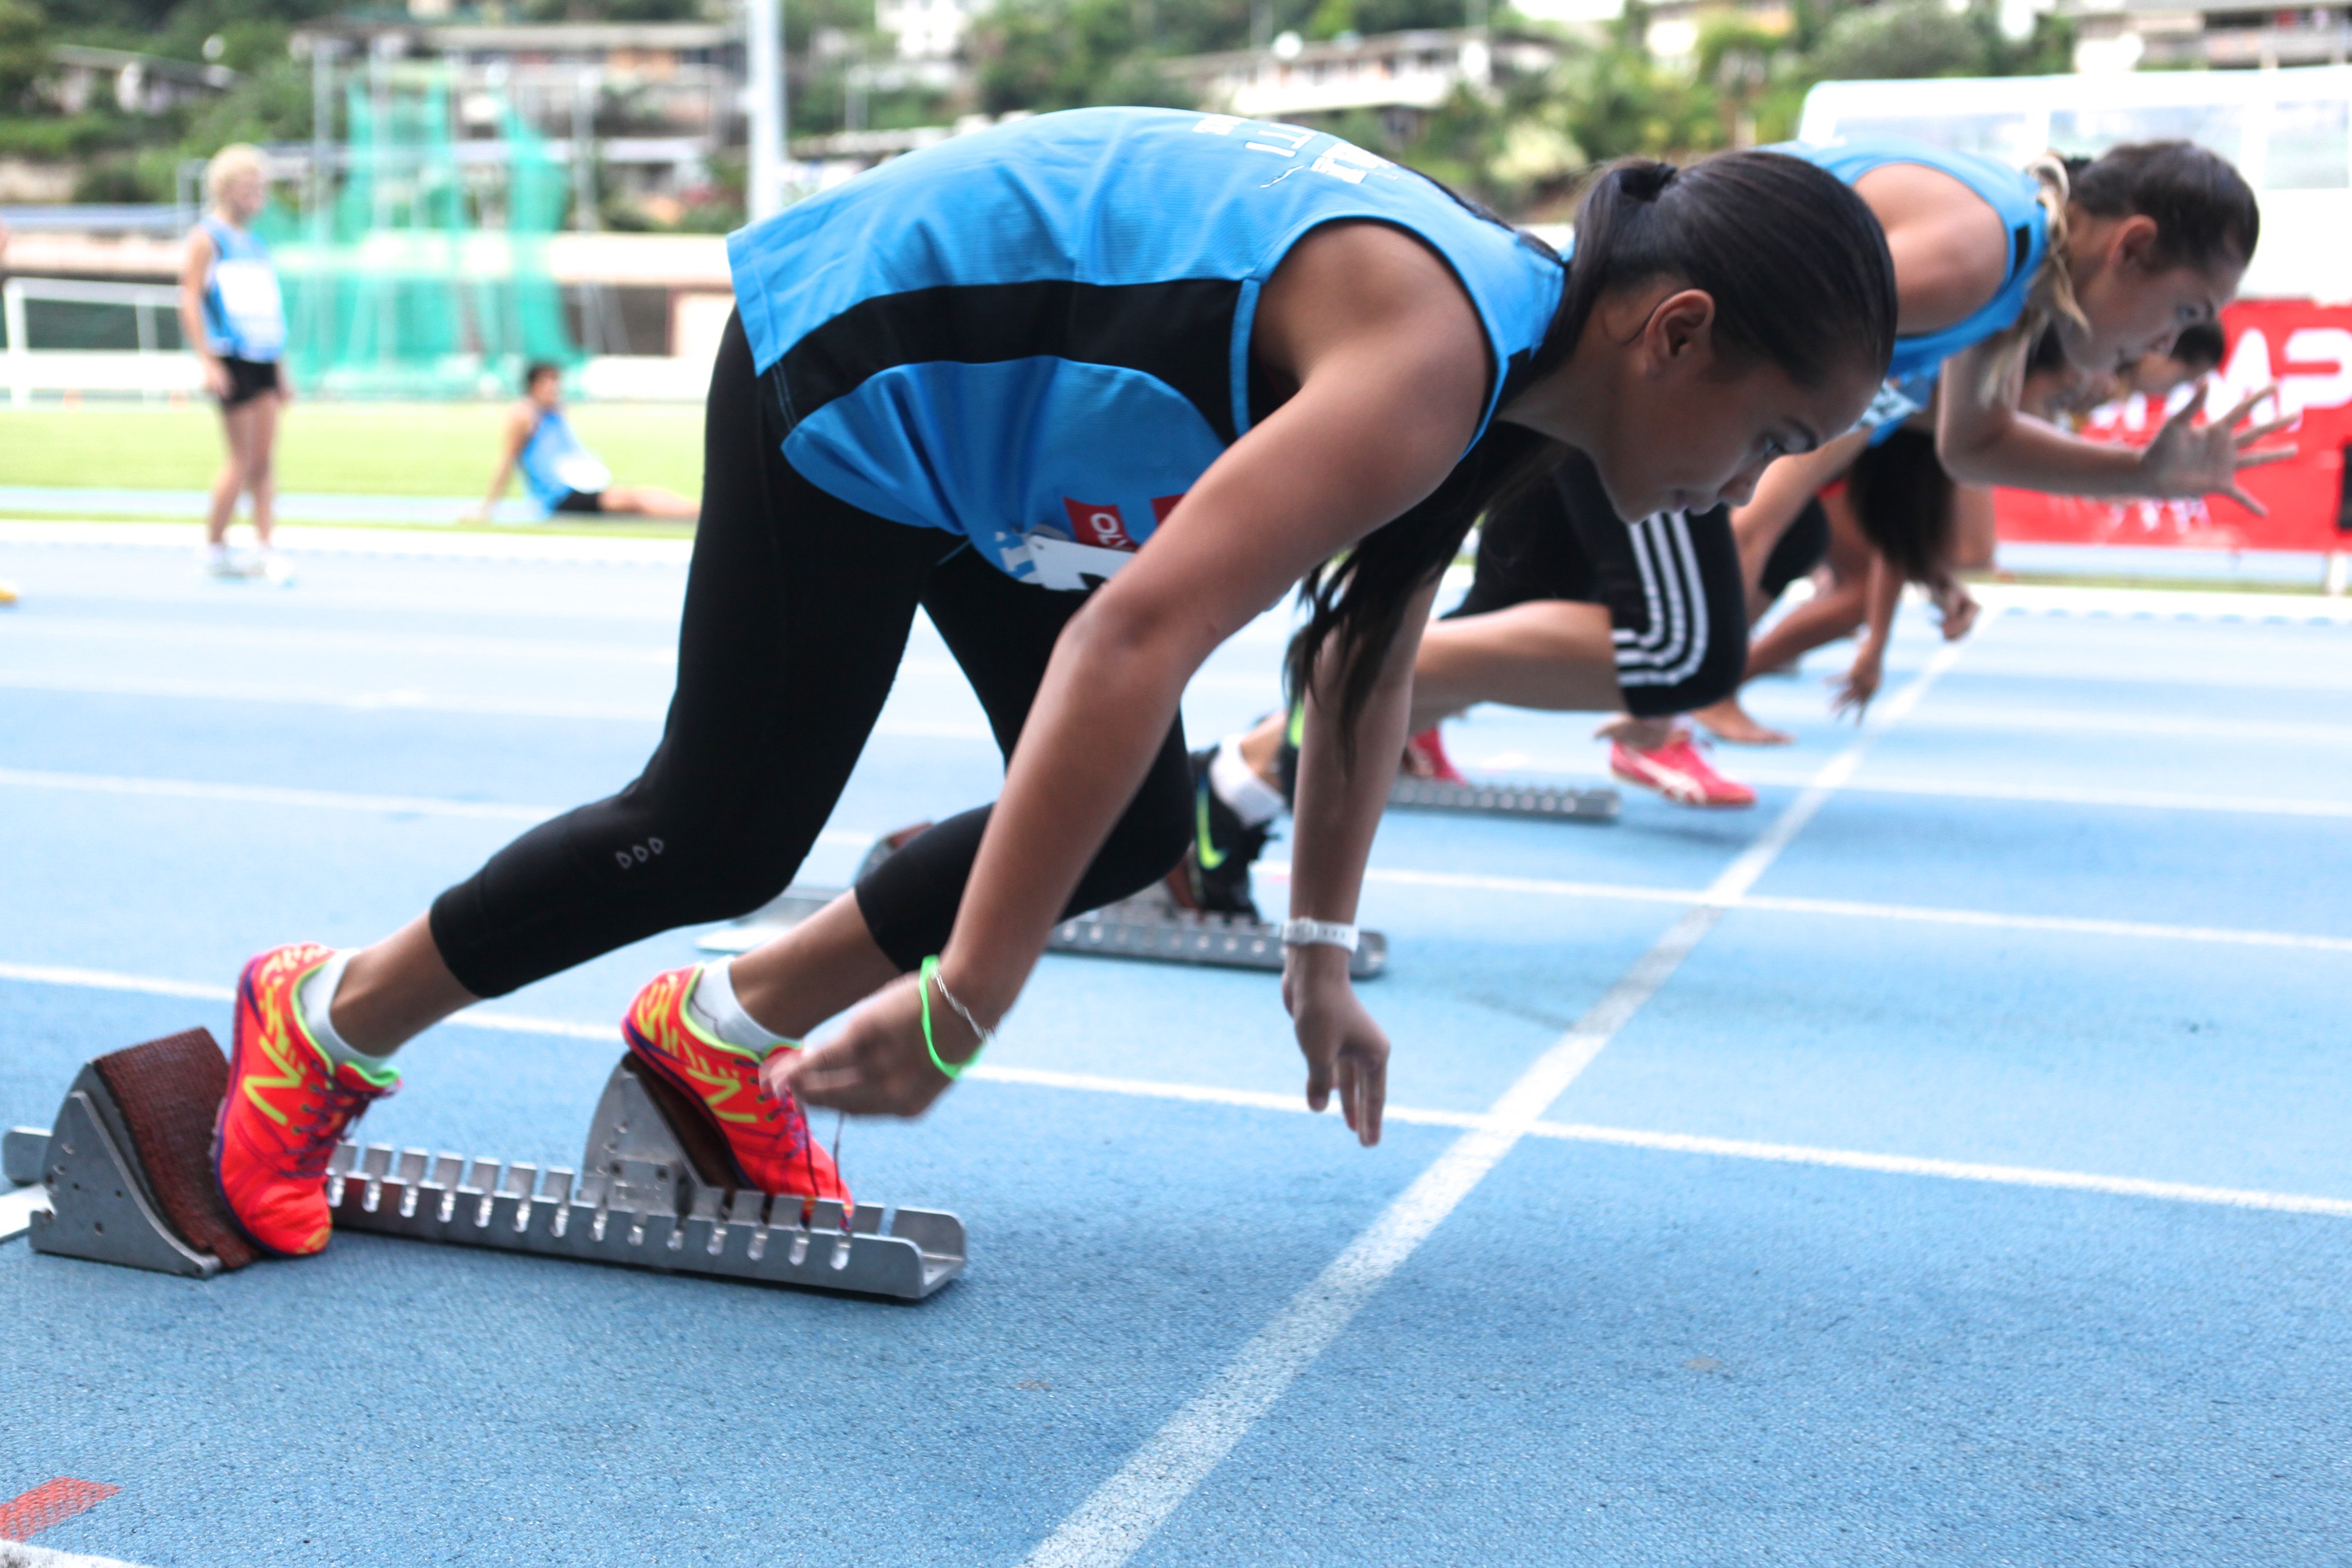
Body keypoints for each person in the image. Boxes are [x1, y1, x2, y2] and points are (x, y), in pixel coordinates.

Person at [208, 105, 1907, 1259]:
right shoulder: (1436, 357)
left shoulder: (1509, 365)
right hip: (864, 357)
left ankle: (720, 1031)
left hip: (1007, 440)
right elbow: (1130, 638)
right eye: (1768, 433)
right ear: (1672, 331)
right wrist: (968, 996)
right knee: (724, 825)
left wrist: (1316, 947)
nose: (1747, 484)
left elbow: (1361, 651)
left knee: (1129, 821)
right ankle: (330, 1014)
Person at [1186, 136, 2282, 878]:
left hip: (1625, 376)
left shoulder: (2014, 269)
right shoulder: (1975, 250)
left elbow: (1970, 440)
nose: (2162, 343)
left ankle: (1239, 790)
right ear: (2132, 244)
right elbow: (1788, 372)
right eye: (2182, 310)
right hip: (1627, 381)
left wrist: (2145, 474)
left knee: (1546, 631)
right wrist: (1750, 533)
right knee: (1679, 649)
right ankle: (1328, 702)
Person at [178, 144, 292, 584]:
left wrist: (280, 367)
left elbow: (267, 307)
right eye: (248, 187)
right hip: (232, 356)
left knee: (264, 460)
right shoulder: (208, 238)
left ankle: (265, 547)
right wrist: (208, 361)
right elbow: (190, 298)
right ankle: (213, 546)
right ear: (226, 188)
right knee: (241, 459)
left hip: (263, 356)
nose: (256, 195)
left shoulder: (256, 244)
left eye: (260, 187)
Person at [468, 362, 699, 523]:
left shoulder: (555, 412)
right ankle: (701, 515)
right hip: (559, 498)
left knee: (636, 496)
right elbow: (507, 460)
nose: (554, 388)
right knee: (631, 501)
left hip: (577, 487)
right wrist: (487, 508)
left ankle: (700, 512)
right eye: (547, 382)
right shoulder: (524, 415)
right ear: (533, 386)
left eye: (556, 382)